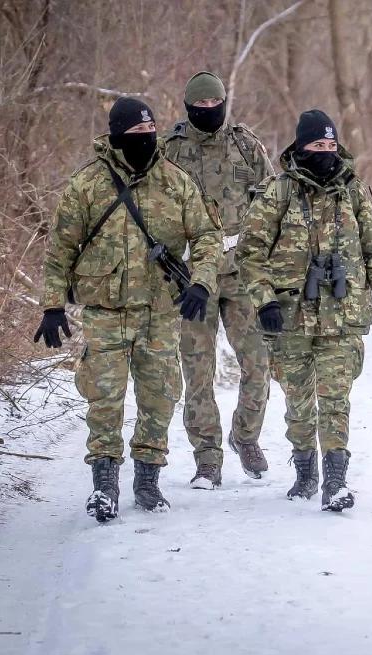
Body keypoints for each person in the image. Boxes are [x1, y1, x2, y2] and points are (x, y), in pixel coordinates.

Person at [34, 96, 222, 522]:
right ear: (117, 136)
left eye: (150, 131)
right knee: (104, 398)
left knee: (159, 397)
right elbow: (60, 249)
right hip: (105, 310)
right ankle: (104, 484)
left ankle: (148, 480)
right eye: (135, 134)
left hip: (160, 311)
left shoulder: (176, 182)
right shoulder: (87, 185)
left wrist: (202, 281)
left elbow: (208, 236)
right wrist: (52, 304)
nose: (145, 138)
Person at [236, 109, 372, 512]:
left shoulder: (355, 191)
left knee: (335, 397)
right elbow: (250, 253)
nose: (325, 152)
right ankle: (306, 471)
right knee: (299, 402)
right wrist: (265, 300)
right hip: (289, 318)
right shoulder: (278, 192)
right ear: (301, 146)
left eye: (330, 144)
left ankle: (336, 482)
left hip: (343, 316)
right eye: (317, 145)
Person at [162, 71, 276, 489]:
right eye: (201, 108)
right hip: (194, 278)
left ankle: (245, 437)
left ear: (225, 103)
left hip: (244, 272)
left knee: (258, 362)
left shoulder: (246, 145)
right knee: (197, 369)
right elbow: (155, 211)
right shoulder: (170, 151)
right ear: (188, 108)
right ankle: (207, 458)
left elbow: (271, 202)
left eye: (216, 106)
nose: (209, 113)